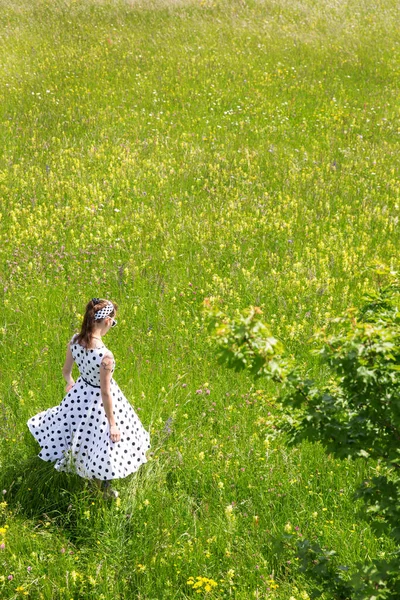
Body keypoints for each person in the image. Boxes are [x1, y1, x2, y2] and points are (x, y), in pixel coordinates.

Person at [27, 298, 151, 498]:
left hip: (80, 393)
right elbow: (105, 391)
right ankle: (102, 488)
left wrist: (70, 383)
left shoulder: (75, 340)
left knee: (80, 435)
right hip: (101, 401)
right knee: (105, 441)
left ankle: (84, 471)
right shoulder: (105, 356)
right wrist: (112, 423)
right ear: (108, 322)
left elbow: (66, 371)